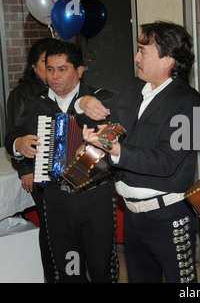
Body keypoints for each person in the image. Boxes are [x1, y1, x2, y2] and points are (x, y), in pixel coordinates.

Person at [80, 21, 200, 283]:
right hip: (132, 216)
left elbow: (167, 162)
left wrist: (116, 150)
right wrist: (85, 103)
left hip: (168, 217)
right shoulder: (132, 89)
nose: (136, 58)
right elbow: (99, 113)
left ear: (167, 60)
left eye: (143, 52)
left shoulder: (190, 104)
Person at [5, 40, 118, 283]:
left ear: (79, 71)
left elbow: (116, 126)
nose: (54, 76)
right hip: (56, 200)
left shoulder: (100, 99)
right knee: (69, 269)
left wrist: (82, 102)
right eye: (50, 69)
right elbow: (12, 135)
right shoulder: (37, 104)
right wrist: (18, 143)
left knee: (102, 269)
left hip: (95, 198)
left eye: (62, 69)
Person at [6, 37, 59, 282]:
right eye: (44, 63)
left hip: (59, 168)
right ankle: (51, 274)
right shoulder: (22, 94)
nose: (50, 68)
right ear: (33, 66)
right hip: (37, 169)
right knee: (50, 227)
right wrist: (25, 167)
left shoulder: (58, 89)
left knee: (61, 227)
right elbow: (16, 134)